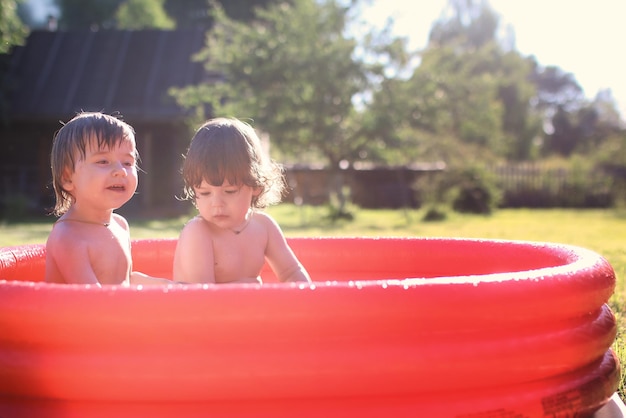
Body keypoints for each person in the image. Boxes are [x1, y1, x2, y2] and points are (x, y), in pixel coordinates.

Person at [173, 117, 311, 284]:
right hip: (205, 309)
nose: (217, 203)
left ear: (255, 186)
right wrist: (247, 287)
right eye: (205, 192)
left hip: (248, 308)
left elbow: (291, 272)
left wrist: (309, 298)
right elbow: (202, 299)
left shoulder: (263, 227)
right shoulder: (198, 233)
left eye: (229, 191)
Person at [45, 111, 173, 286]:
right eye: (103, 161)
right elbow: (95, 302)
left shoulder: (120, 225)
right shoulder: (68, 236)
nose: (120, 171)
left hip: (114, 308)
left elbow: (125, 282)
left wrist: (172, 287)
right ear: (67, 178)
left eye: (127, 163)